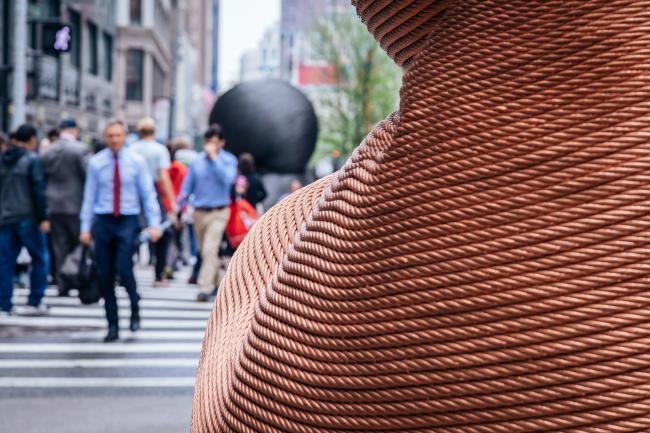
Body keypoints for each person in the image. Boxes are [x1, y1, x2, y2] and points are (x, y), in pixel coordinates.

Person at [80, 119, 161, 342]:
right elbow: (89, 197)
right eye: (110, 135)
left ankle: (135, 306)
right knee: (105, 274)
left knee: (124, 268)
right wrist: (85, 227)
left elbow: (147, 194)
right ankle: (112, 324)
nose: (114, 139)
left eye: (118, 135)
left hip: (127, 221)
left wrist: (154, 224)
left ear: (125, 137)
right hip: (104, 221)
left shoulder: (136, 162)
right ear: (106, 138)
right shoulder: (96, 163)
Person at [178, 124, 237, 302]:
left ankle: (204, 287)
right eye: (208, 142)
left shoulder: (228, 160)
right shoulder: (197, 162)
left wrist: (214, 158)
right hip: (199, 212)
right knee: (204, 251)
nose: (210, 145)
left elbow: (229, 179)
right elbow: (187, 186)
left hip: (219, 211)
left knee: (210, 249)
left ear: (222, 143)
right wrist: (178, 207)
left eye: (214, 142)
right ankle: (220, 281)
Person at [0, 124, 50, 316]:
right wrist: (43, 216)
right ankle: (35, 300)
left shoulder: (3, 158)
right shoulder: (32, 159)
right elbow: (39, 190)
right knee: (39, 258)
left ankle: (4, 302)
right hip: (28, 218)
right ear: (31, 140)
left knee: (5, 261)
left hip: (5, 217)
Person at [41, 118, 90, 296]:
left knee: (59, 246)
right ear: (74, 130)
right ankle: (74, 275)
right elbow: (88, 178)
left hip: (53, 205)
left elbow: (42, 178)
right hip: (76, 204)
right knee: (79, 243)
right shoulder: (80, 149)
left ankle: (62, 282)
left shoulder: (47, 150)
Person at [129, 117, 177, 287]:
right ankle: (158, 275)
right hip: (155, 192)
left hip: (133, 193)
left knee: (132, 231)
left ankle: (125, 271)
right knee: (162, 233)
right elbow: (164, 176)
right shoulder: (160, 150)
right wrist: (172, 201)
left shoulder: (132, 148)